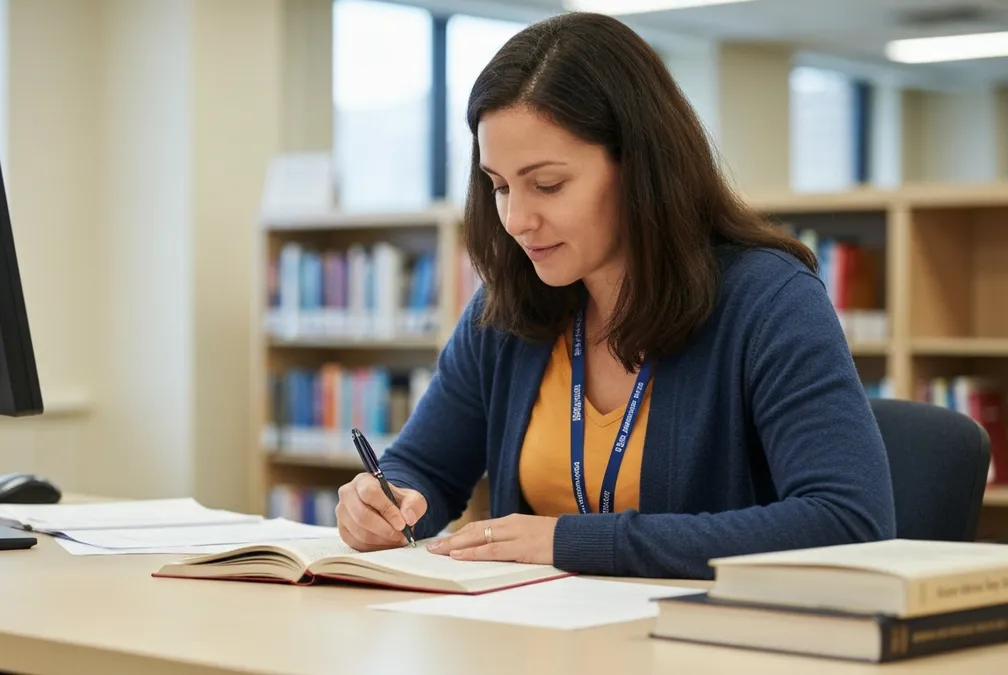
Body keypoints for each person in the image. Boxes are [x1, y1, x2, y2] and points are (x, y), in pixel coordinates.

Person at [334, 11, 895, 579]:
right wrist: (387, 501)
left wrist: (572, 541)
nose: (517, 220)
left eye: (548, 185)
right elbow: (425, 467)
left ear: (639, 166)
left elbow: (849, 521)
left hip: (705, 630)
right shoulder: (506, 310)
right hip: (537, 627)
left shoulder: (769, 300)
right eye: (499, 186)